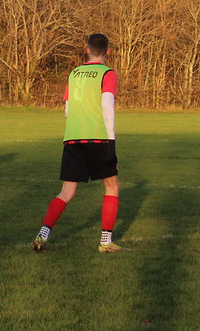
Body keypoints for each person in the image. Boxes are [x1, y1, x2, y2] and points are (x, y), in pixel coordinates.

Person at [33, 33, 123, 253]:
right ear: (108, 51)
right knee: (111, 187)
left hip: (72, 137)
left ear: (87, 49)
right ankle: (105, 241)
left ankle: (42, 234)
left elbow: (68, 109)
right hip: (98, 137)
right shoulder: (108, 73)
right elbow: (107, 106)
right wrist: (111, 142)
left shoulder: (74, 73)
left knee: (66, 191)